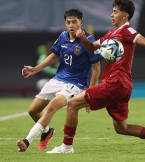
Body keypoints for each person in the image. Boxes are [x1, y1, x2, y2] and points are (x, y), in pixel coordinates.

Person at [46, 0, 145, 154]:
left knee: (72, 104)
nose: (111, 15)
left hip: (116, 82)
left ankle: (66, 147)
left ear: (125, 16)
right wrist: (82, 37)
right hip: (121, 85)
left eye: (115, 12)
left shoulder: (127, 31)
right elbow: (91, 47)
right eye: (112, 11)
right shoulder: (112, 33)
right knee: (121, 128)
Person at [16, 9, 101, 152]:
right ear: (65, 23)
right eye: (68, 22)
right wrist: (35, 69)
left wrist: (90, 92)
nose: (71, 25)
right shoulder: (62, 36)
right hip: (58, 79)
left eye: (74, 22)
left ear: (81, 22)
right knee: (33, 111)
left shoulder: (89, 41)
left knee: (52, 107)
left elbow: (97, 68)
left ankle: (26, 142)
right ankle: (48, 132)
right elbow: (54, 56)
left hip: (76, 84)